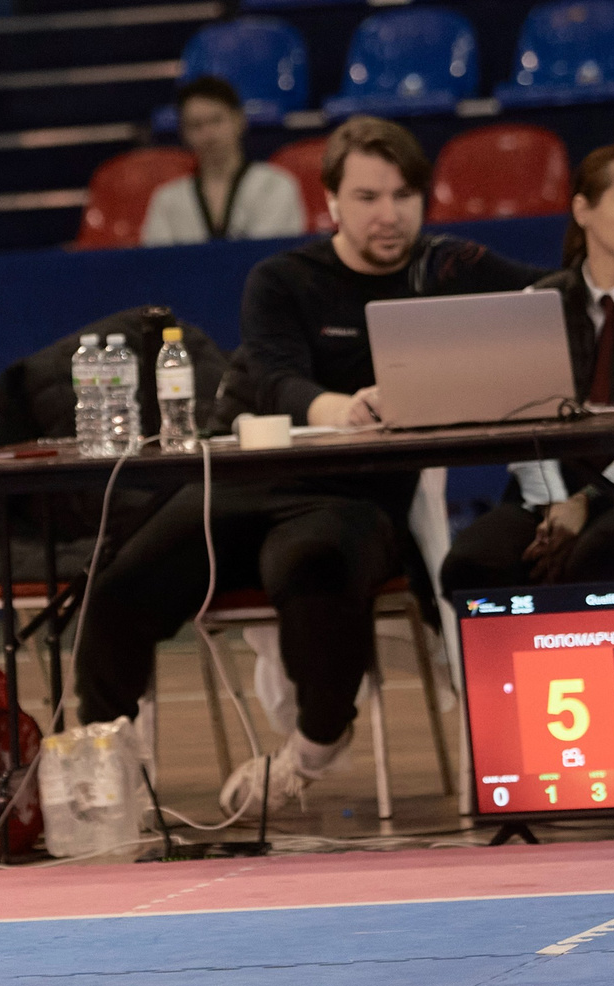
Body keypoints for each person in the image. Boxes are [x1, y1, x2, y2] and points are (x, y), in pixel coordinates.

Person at [69, 116, 540, 821]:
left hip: (356, 502)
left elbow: (554, 298)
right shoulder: (283, 278)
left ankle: (313, 749)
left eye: (405, 195)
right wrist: (341, 406)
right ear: (333, 202)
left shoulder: (448, 267)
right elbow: (275, 375)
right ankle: (108, 766)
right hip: (248, 485)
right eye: (369, 196)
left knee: (315, 567)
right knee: (120, 583)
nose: (389, 213)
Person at [440, 146, 614, 594]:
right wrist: (555, 503)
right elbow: (526, 423)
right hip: (547, 491)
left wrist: (587, 502)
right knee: (472, 564)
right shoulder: (538, 300)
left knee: (598, 555)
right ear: (583, 210)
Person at [138, 75, 308, 245]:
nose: (208, 134)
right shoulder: (167, 200)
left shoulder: (276, 185)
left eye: (216, 120)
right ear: (184, 134)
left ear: (239, 120)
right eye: (196, 125)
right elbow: (158, 265)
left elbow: (272, 259)